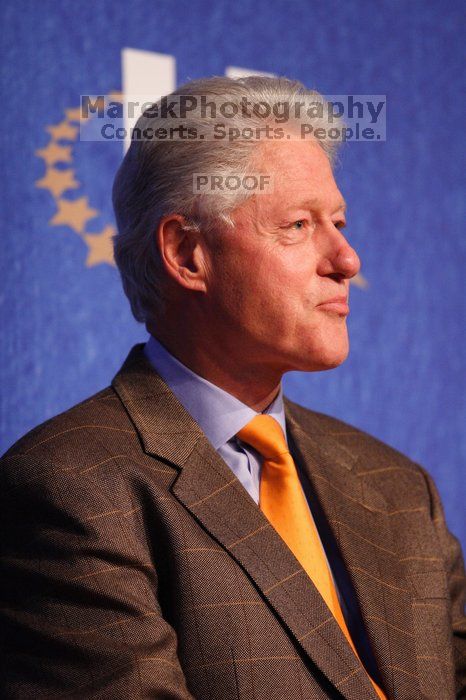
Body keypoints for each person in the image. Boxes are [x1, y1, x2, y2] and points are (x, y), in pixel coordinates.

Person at [1, 76, 464, 700]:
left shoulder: (400, 488)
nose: (347, 259)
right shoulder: (68, 489)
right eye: (299, 225)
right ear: (189, 253)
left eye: (339, 221)